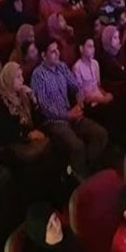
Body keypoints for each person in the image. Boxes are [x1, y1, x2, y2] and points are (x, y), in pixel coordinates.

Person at [31, 40, 108, 179]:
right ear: (43, 55)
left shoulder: (62, 67)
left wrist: (79, 101)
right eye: (53, 51)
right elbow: (44, 107)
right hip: (54, 121)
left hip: (72, 114)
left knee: (100, 134)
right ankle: (78, 180)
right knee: (77, 146)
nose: (57, 53)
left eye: (57, 50)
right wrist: (67, 115)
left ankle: (86, 171)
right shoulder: (38, 75)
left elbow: (76, 86)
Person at [24, 202, 95, 252]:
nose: (57, 225)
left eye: (55, 218)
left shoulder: (71, 234)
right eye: (51, 226)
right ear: (42, 236)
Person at [72, 37, 114, 106]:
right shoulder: (77, 67)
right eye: (89, 46)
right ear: (81, 49)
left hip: (100, 98)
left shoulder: (95, 63)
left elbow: (98, 86)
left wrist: (106, 94)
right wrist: (102, 100)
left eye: (93, 46)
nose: (93, 49)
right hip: (89, 103)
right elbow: (81, 96)